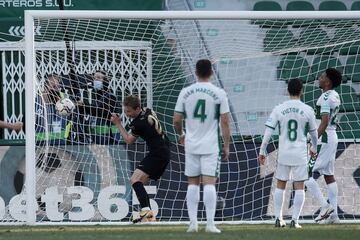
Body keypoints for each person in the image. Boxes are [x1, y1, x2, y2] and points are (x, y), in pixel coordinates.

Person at [173, 59, 230, 233]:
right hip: (211, 145)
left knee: (192, 183)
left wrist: (181, 134)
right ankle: (210, 224)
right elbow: (225, 121)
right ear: (211, 72)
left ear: (196, 72)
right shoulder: (219, 93)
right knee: (210, 184)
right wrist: (226, 144)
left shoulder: (186, 92)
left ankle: (193, 223)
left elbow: (176, 119)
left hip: (191, 144)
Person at [258, 78, 318, 229]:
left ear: (287, 91)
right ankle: (295, 221)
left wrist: (262, 149)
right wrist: (314, 147)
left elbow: (268, 132)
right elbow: (314, 134)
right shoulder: (308, 110)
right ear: (301, 91)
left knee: (280, 185)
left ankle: (278, 218)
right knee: (299, 186)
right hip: (299, 153)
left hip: (284, 152)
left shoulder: (279, 108)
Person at [110, 95, 170, 223]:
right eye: (125, 111)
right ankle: (148, 215)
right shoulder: (148, 110)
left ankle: (146, 212)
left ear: (137, 108)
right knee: (138, 182)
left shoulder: (138, 124)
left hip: (158, 153)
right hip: (163, 150)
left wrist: (118, 124)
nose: (127, 114)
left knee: (134, 179)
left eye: (129, 111)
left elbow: (129, 140)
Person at [304, 68, 342, 224]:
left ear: (328, 81)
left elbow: (324, 122)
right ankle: (334, 216)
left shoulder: (326, 97)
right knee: (329, 176)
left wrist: (313, 141)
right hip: (331, 137)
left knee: (303, 174)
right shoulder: (335, 95)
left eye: (322, 76)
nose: (319, 78)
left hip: (324, 139)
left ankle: (325, 206)